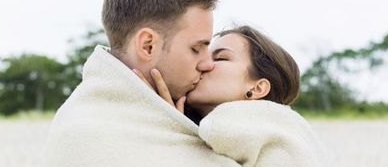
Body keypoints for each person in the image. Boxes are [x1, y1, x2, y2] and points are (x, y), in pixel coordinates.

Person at [43, 0, 240, 167]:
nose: (207, 64)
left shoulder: (82, 114)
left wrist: (174, 124)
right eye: (196, 49)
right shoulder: (94, 137)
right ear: (148, 45)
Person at [136, 25, 325, 167]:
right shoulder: (194, 130)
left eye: (220, 58)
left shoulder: (285, 139)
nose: (203, 65)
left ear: (258, 88)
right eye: (199, 54)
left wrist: (174, 134)